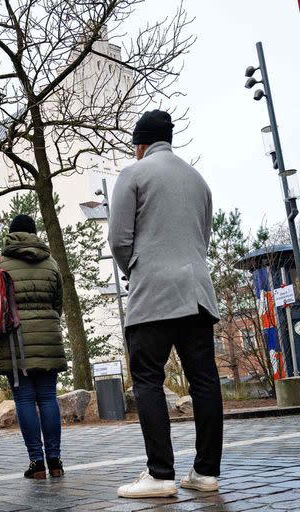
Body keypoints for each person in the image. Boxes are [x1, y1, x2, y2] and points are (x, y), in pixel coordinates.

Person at [108, 109, 222, 498]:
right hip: (197, 294)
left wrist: (135, 270)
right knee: (205, 381)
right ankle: (206, 473)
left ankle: (160, 474)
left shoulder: (134, 174)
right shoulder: (198, 180)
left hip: (153, 294)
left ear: (141, 143)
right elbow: (202, 239)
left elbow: (119, 240)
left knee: (147, 380)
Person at [0, 214, 67, 479]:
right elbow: (59, 303)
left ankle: (37, 463)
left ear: (11, 234)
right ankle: (55, 461)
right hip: (48, 336)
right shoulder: (51, 262)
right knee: (48, 398)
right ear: (34, 233)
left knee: (24, 399)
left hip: (15, 342)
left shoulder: (0, 263)